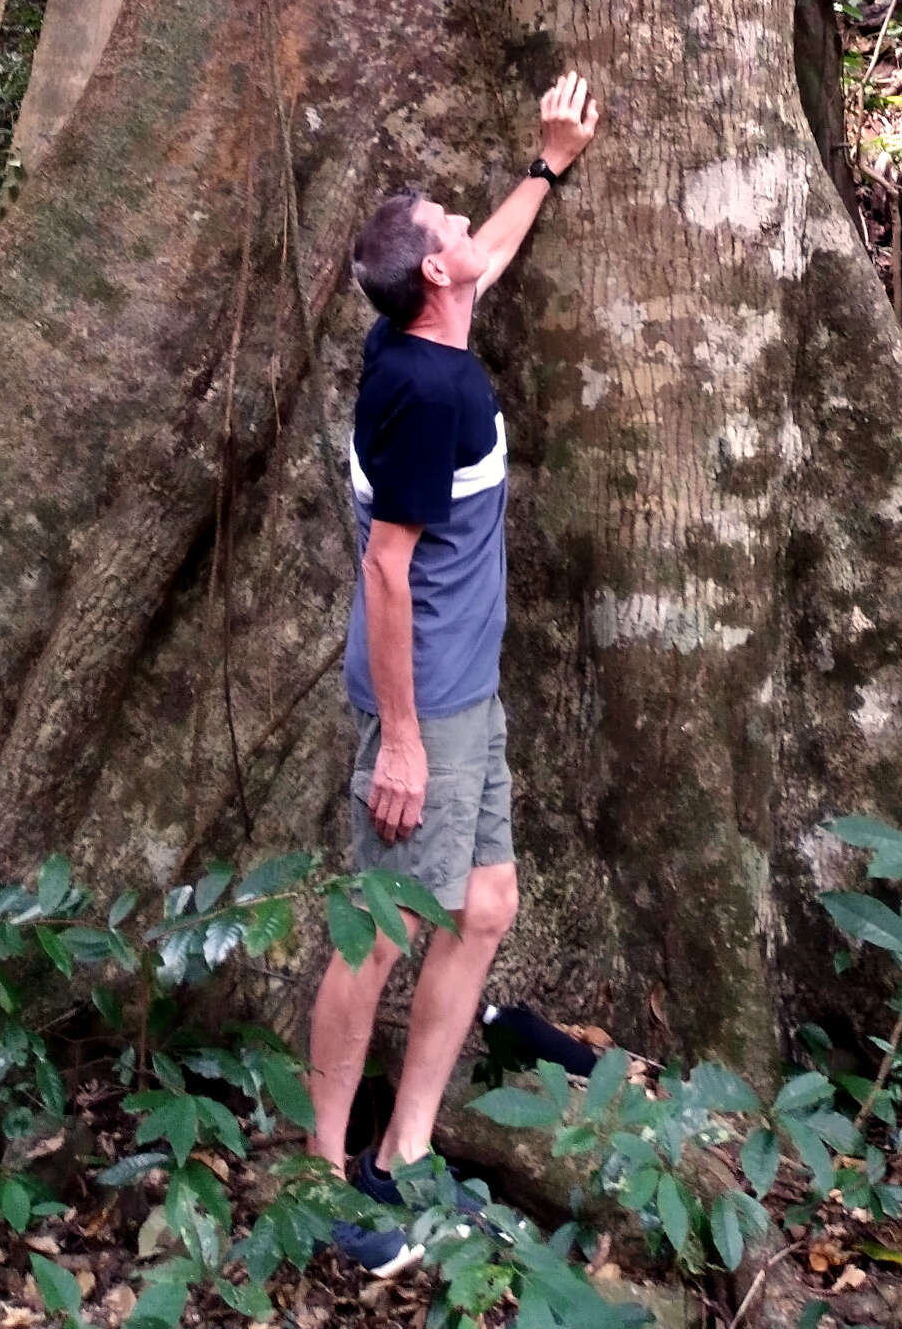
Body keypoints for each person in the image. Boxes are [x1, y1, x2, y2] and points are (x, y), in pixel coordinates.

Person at [307, 72, 601, 1273]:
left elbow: (484, 246)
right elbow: (385, 569)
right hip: (424, 699)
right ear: (436, 278)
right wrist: (406, 740)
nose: (462, 240)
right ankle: (319, 1172)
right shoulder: (432, 391)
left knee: (483, 906)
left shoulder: (411, 335)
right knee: (376, 931)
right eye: (445, 236)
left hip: (468, 692)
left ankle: (410, 1154)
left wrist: (551, 161)